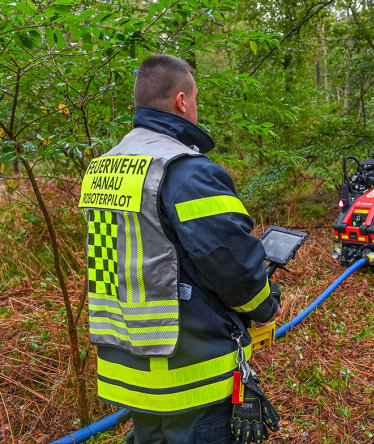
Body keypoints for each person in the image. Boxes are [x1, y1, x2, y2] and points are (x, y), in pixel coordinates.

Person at [78, 54, 282, 444]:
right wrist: (266, 305)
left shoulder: (103, 167)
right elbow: (230, 263)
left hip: (129, 366)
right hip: (189, 370)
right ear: (182, 101)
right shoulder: (186, 170)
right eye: (196, 99)